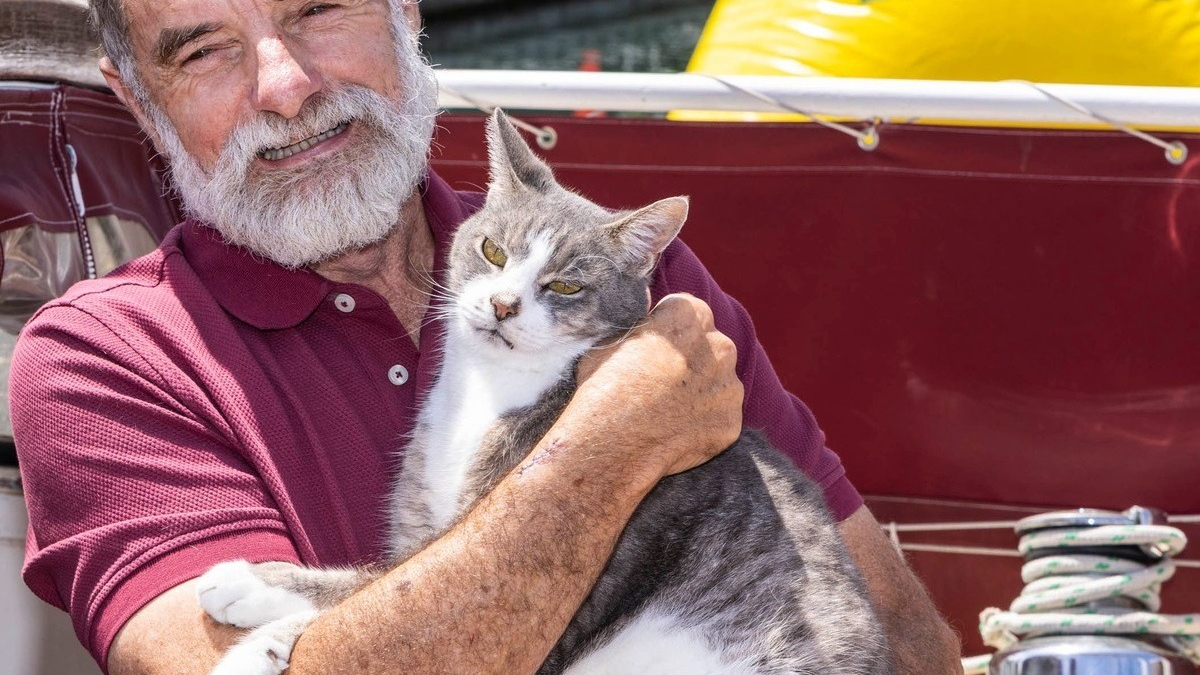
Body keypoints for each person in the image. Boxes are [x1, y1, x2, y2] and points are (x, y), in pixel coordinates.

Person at [10, 0, 962, 673]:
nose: (286, 87)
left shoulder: (623, 273)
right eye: (204, 50)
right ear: (139, 102)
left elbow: (899, 642)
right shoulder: (105, 358)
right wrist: (604, 454)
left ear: (406, 13)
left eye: (319, 9)